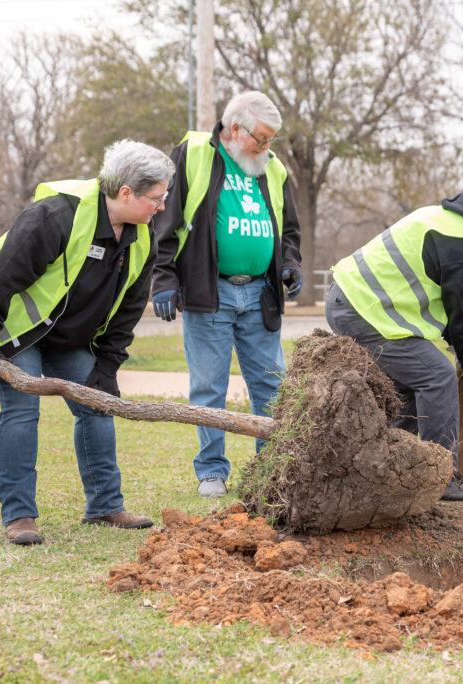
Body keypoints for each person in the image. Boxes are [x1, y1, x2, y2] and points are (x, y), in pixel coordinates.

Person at [0, 139, 175, 545]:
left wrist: (107, 367)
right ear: (126, 193)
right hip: (7, 325)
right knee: (22, 408)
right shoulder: (56, 216)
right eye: (157, 199)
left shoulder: (143, 237)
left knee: (97, 404)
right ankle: (20, 517)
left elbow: (128, 311)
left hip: (64, 336)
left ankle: (105, 506)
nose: (162, 207)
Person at [325, 191, 463, 502]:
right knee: (437, 376)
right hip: (360, 308)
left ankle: (387, 468)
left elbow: (452, 306)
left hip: (354, 302)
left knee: (412, 384)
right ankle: (441, 479)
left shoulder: (459, 223)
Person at [150, 91, 303, 499]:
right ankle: (211, 471)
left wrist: (290, 263)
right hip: (209, 291)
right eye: (261, 138)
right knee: (208, 388)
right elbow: (165, 221)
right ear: (235, 129)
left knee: (272, 386)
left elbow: (289, 229)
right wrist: (163, 279)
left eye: (271, 140)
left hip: (260, 294)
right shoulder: (194, 155)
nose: (266, 147)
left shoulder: (272, 168)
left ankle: (271, 469)